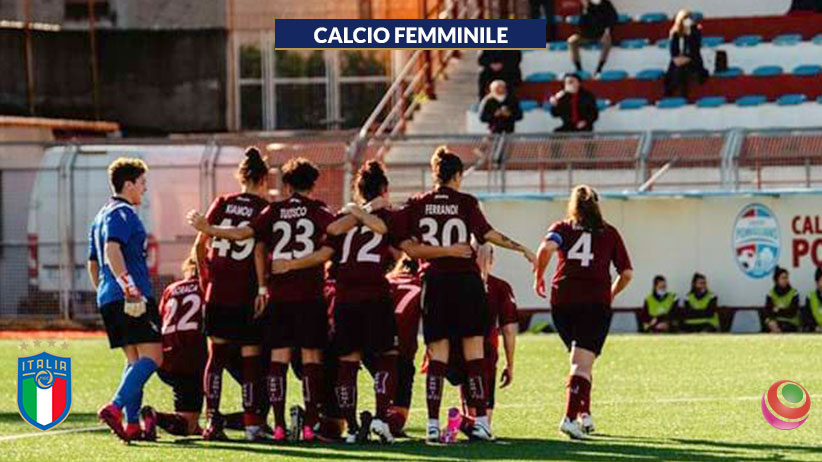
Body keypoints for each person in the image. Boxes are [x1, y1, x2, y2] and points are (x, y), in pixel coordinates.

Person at [270, 161, 469, 443]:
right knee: (389, 356)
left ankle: (349, 426)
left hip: (341, 298)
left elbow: (330, 245)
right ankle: (380, 418)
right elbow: (404, 247)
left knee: (346, 361)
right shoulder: (388, 216)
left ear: (358, 190)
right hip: (375, 294)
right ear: (384, 189)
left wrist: (354, 211)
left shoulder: (343, 217)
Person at [187, 157, 354, 442]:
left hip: (246, 294)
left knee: (235, 357)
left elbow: (229, 241)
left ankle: (248, 423)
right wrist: (361, 212)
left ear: (286, 185)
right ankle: (296, 425)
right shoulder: (304, 209)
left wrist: (209, 248)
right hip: (290, 295)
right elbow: (334, 233)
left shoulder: (254, 207)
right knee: (289, 357)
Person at [395, 146, 536, 443]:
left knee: (437, 356)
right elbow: (489, 235)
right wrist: (521, 247)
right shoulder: (466, 202)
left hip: (435, 283)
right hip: (466, 283)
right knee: (475, 354)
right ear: (458, 175)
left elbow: (407, 246)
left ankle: (432, 425)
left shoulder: (418, 203)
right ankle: (482, 421)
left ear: (435, 174)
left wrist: (439, 252)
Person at [533, 185, 633, 440]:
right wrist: (611, 293)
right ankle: (569, 419)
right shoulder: (609, 232)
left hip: (562, 302)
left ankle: (584, 414)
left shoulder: (562, 228)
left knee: (581, 359)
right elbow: (626, 273)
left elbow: (545, 249)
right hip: (594, 303)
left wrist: (539, 277)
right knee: (582, 363)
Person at [193, 147, 270, 441]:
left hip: (217, 291)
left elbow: (199, 245)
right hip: (245, 291)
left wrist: (205, 277)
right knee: (251, 357)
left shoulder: (222, 202)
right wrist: (262, 287)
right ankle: (252, 425)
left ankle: (212, 421)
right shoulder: (264, 208)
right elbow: (257, 248)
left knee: (216, 357)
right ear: (263, 179)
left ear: (241, 177)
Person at [89, 157, 162, 442]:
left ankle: (132, 425)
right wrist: (129, 288)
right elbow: (111, 250)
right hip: (131, 295)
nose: (145, 188)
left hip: (109, 295)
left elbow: (93, 264)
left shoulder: (100, 216)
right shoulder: (123, 212)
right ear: (129, 184)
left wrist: (106, 293)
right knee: (153, 357)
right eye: (142, 182)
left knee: (135, 360)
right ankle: (115, 407)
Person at [442, 243, 519, 443]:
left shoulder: (454, 284)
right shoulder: (500, 286)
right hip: (485, 350)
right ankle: (460, 420)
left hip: (455, 349)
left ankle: (461, 420)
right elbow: (509, 329)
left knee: (472, 405)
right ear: (491, 259)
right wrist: (510, 364)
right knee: (484, 424)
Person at [664, 10, 708, 98]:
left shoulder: (695, 32)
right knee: (675, 69)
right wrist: (677, 59)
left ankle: (682, 95)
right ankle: (670, 93)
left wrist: (690, 31)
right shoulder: (675, 34)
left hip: (692, 60)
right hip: (678, 61)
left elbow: (694, 50)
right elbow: (673, 51)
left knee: (682, 70)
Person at [567, 0, 618, 75]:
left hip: (601, 34)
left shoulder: (606, 4)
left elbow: (613, 18)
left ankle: (599, 68)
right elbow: (580, 24)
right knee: (571, 41)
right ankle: (579, 68)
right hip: (586, 35)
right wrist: (585, 11)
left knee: (607, 42)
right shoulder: (585, 6)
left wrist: (607, 31)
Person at [763, 266, 801, 333]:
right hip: (776, 322)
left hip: (790, 323)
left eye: (786, 278)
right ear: (777, 280)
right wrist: (782, 311)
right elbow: (768, 311)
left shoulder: (794, 293)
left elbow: (792, 312)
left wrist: (777, 310)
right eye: (783, 278)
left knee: (779, 329)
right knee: (769, 325)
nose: (785, 280)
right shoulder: (771, 294)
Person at [802, 267, 822, 332]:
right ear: (817, 282)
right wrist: (815, 327)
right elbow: (806, 317)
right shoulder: (810, 297)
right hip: (816, 330)